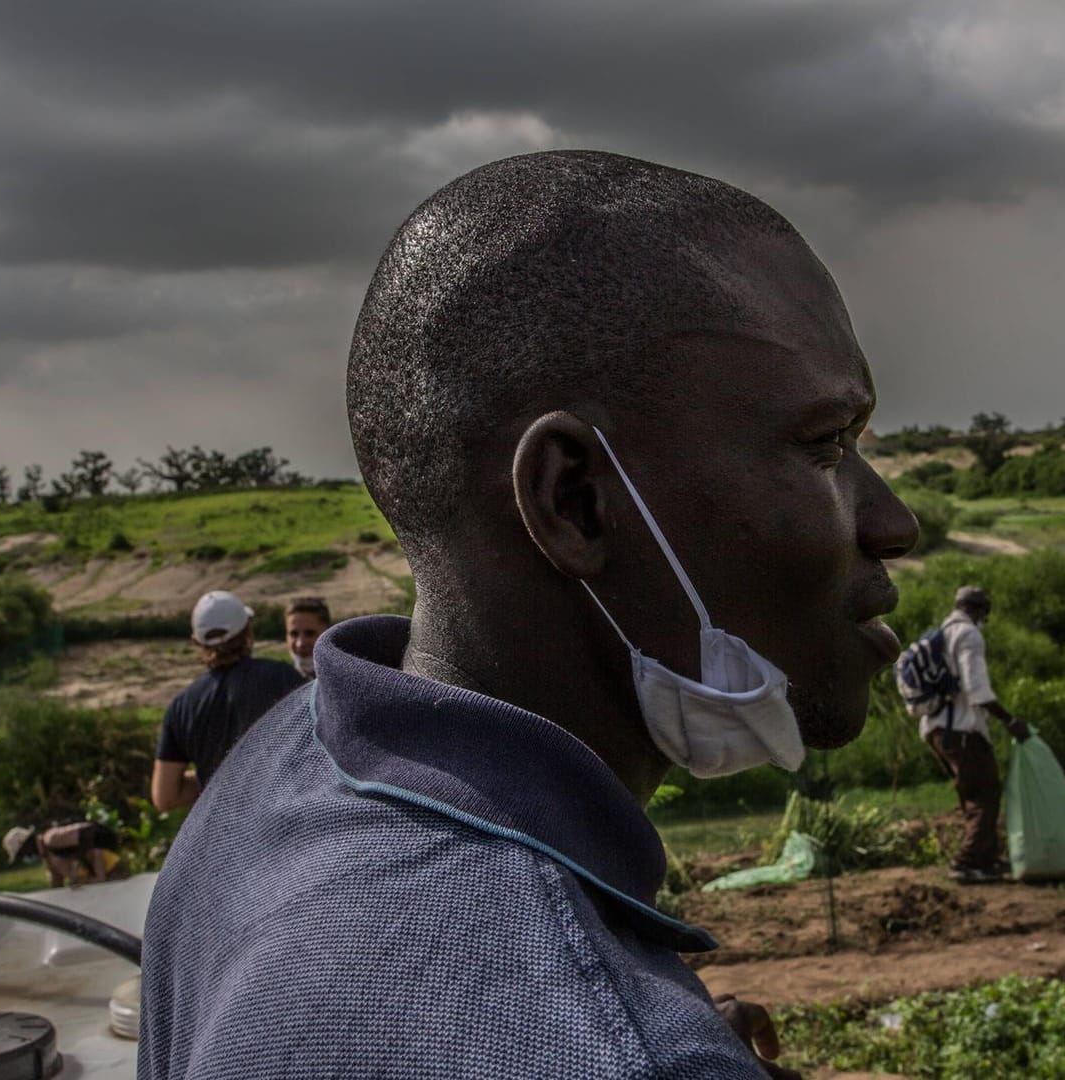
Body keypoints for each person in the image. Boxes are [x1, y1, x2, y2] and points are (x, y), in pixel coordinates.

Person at [140, 150, 918, 1079]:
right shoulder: (604, 1047)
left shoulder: (272, 784)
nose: (893, 523)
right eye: (826, 446)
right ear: (577, 502)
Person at [149, 590, 304, 811]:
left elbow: (165, 796)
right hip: (281, 823)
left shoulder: (180, 707)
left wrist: (214, 779)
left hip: (222, 837)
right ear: (248, 630)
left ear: (196, 642)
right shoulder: (282, 677)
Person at [917, 585, 1029, 884]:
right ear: (978, 610)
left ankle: (987, 859)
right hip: (962, 731)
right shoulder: (968, 635)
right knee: (985, 794)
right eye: (984, 613)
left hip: (935, 731)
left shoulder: (939, 636)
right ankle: (966, 864)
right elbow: (977, 690)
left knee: (972, 794)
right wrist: (1010, 720)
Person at [2, 822, 127, 889]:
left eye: (22, 853)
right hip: (99, 885)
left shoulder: (52, 839)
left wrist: (100, 877)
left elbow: (93, 843)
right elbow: (57, 889)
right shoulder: (49, 861)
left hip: (111, 870)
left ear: (27, 845)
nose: (26, 857)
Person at [284, 595, 330, 678]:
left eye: (310, 633)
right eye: (294, 634)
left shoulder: (344, 680)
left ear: (327, 633)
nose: (300, 644)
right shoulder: (278, 681)